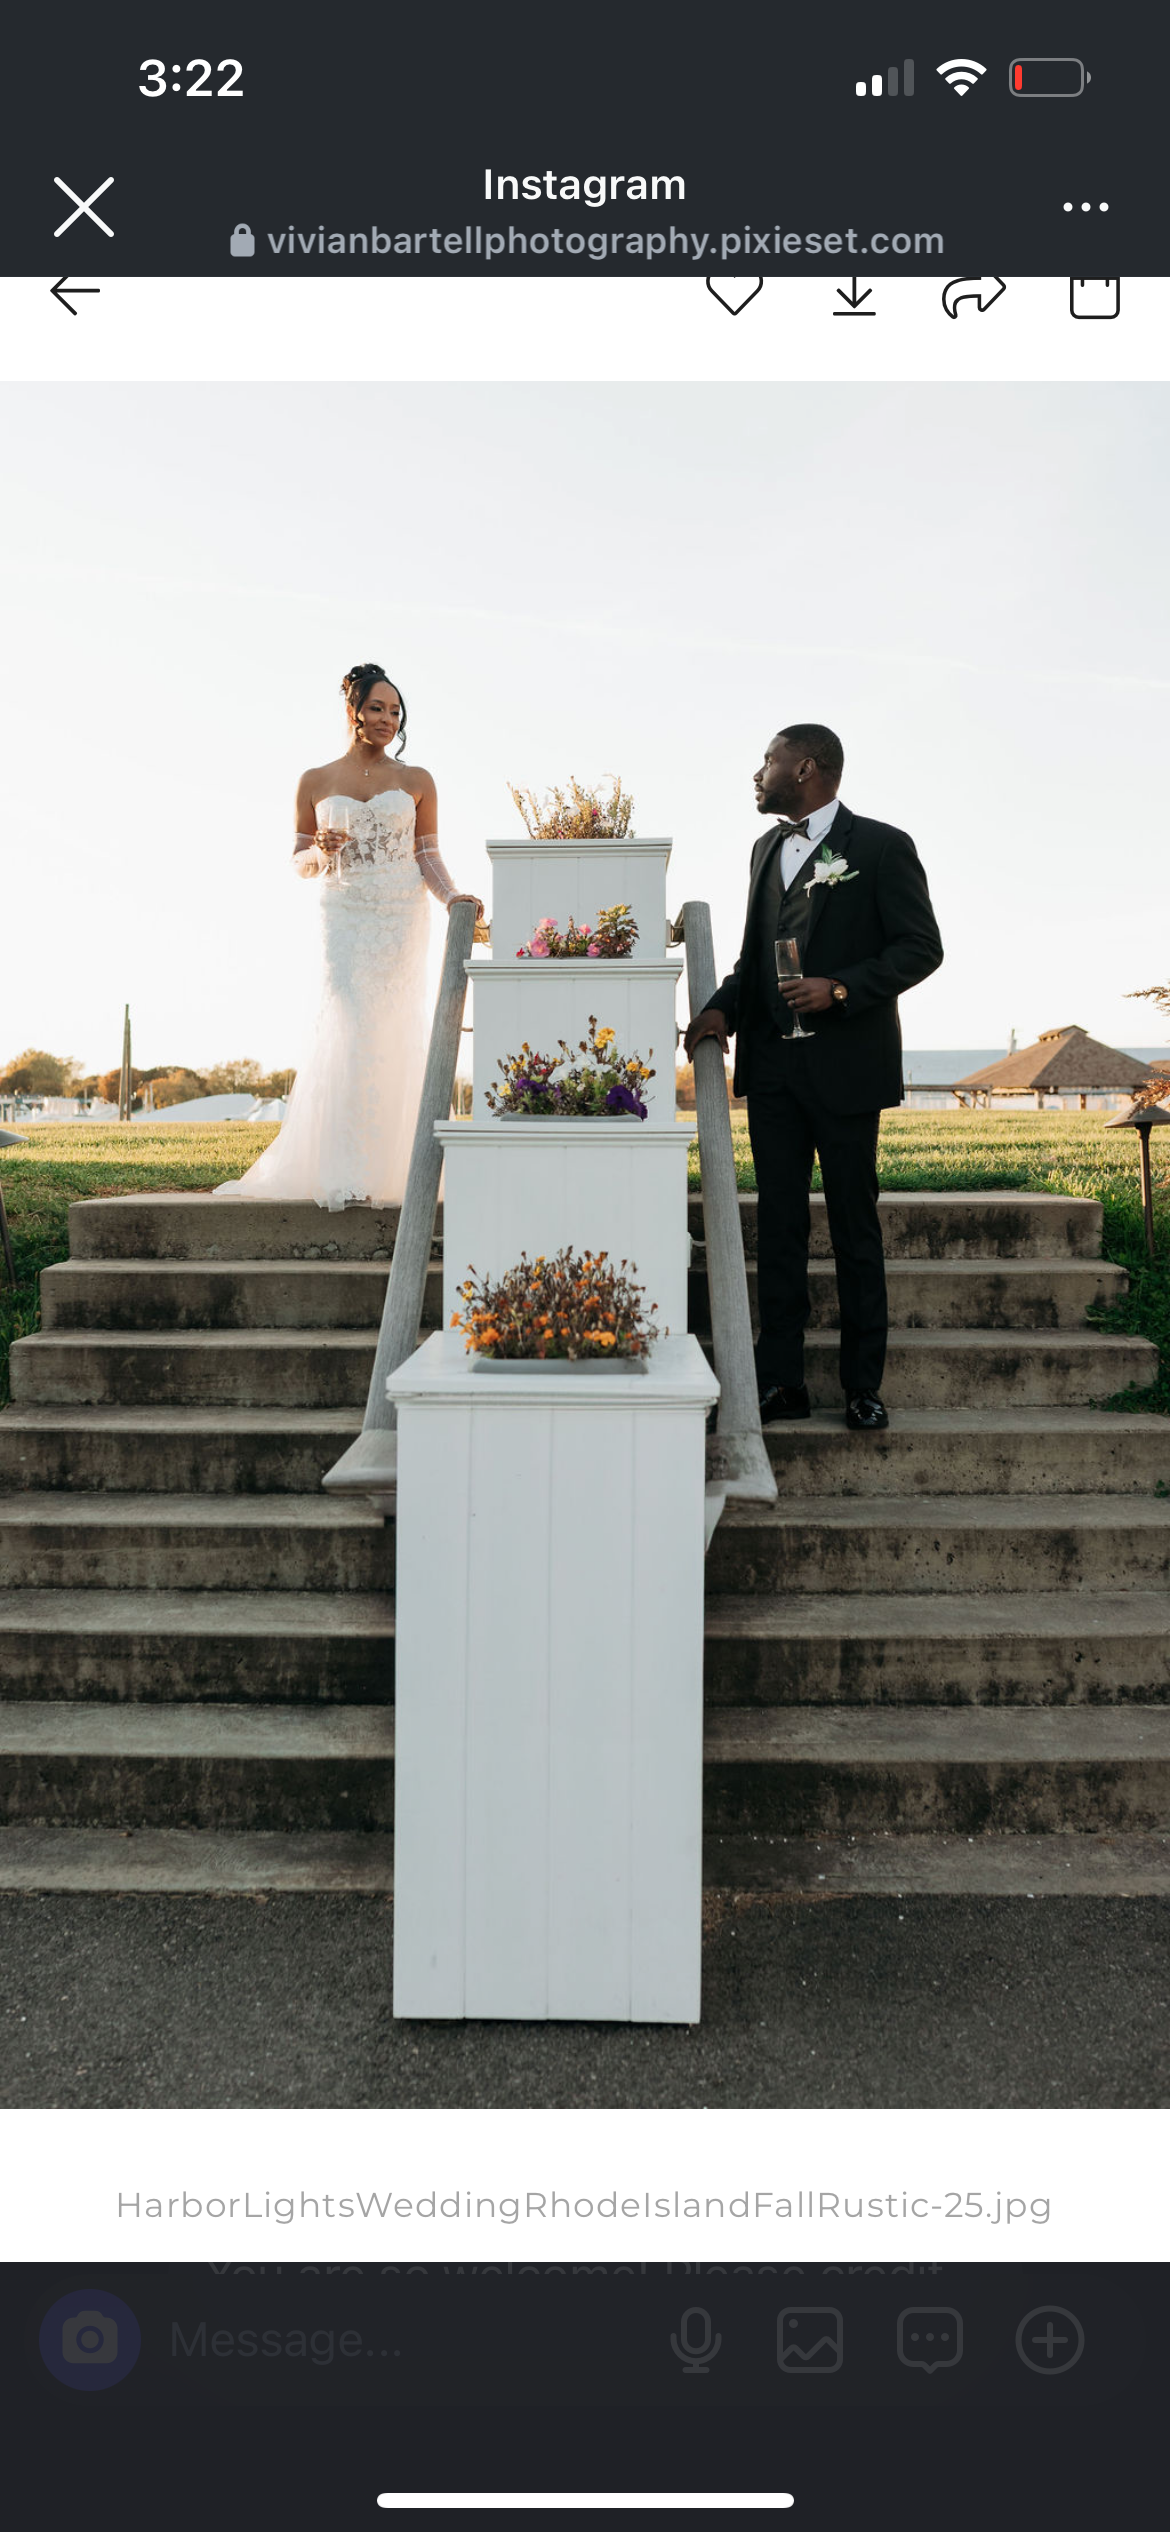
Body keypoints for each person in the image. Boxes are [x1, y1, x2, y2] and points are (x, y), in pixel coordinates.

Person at [684, 722, 943, 1430]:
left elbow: (922, 948)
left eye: (767, 761)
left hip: (848, 1070)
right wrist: (719, 1011)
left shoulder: (883, 847)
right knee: (780, 1228)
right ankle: (782, 1384)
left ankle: (863, 1386)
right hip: (771, 1072)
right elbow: (753, 956)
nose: (757, 773)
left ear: (804, 768)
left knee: (856, 1228)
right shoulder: (765, 849)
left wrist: (840, 989)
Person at [215, 664, 482, 1211]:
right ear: (354, 711)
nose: (388, 720)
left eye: (396, 712)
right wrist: (322, 852)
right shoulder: (315, 780)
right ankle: (346, 1170)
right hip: (344, 915)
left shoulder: (416, 781)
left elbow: (427, 855)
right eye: (378, 709)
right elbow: (299, 862)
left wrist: (454, 897)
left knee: (394, 1028)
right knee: (351, 1022)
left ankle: (403, 1169)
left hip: (401, 915)